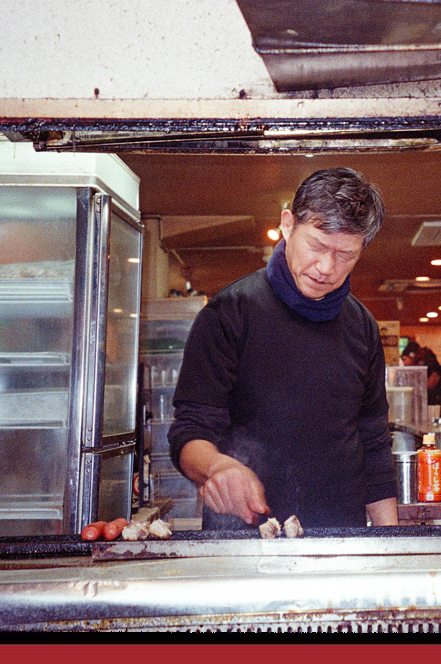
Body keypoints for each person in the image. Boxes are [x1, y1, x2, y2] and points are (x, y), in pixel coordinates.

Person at [167, 167, 398, 530]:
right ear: (288, 224)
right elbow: (189, 433)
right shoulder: (230, 313)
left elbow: (374, 444)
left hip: (341, 538)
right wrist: (218, 466)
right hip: (245, 537)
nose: (326, 267)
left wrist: (391, 543)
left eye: (345, 255)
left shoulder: (363, 327)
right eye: (317, 246)